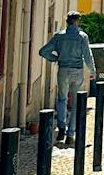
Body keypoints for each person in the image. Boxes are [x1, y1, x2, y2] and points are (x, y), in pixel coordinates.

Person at [38, 12, 95, 147]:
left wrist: (55, 58)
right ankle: (70, 134)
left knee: (62, 99)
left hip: (63, 70)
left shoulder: (59, 36)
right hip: (77, 70)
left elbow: (43, 51)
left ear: (67, 21)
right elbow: (87, 55)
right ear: (76, 22)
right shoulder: (82, 37)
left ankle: (61, 128)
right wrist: (93, 70)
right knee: (76, 103)